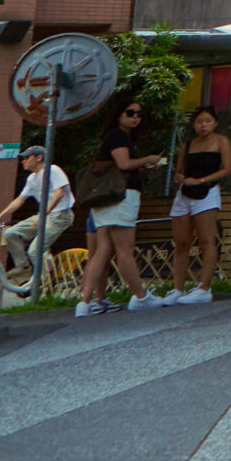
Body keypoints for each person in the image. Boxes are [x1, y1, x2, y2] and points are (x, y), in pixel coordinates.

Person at [78, 101, 166, 315]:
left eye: (138, 113)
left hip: (104, 198)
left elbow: (123, 167)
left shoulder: (114, 137)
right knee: (124, 249)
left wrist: (143, 166)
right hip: (121, 196)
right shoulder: (118, 136)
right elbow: (124, 165)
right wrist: (148, 159)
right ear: (118, 114)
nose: (135, 117)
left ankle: (85, 302)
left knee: (102, 250)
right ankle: (140, 296)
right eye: (130, 112)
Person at [166, 106, 231, 304]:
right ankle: (178, 288)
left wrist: (202, 180)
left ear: (215, 123)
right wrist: (181, 177)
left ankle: (204, 287)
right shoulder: (188, 144)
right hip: (185, 193)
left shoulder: (221, 141)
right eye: (199, 121)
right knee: (181, 242)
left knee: (206, 240)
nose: (203, 125)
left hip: (208, 192)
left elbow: (226, 169)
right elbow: (179, 170)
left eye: (207, 121)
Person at [0, 145, 73, 294]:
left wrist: (43, 214)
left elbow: (60, 193)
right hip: (45, 215)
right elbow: (20, 199)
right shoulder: (32, 178)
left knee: (35, 251)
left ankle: (44, 283)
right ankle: (24, 268)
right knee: (11, 233)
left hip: (60, 216)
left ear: (39, 158)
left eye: (27, 158)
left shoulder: (53, 170)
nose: (23, 161)